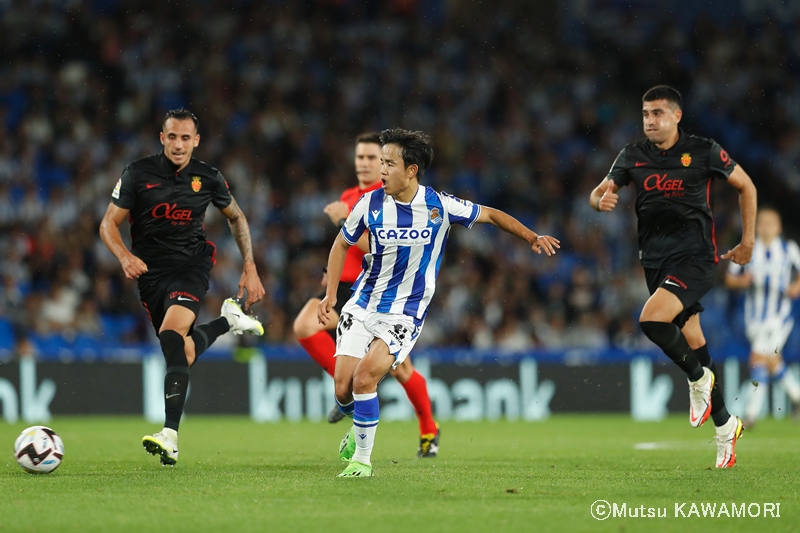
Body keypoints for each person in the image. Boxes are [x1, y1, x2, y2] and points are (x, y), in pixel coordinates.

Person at [318, 128, 559, 477]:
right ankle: (357, 428)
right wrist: (329, 295)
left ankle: (362, 461)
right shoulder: (369, 204)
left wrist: (532, 237)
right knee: (343, 389)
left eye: (389, 163)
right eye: (380, 162)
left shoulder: (439, 206)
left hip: (404, 313)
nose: (381, 171)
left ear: (411, 169)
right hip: (363, 303)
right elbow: (341, 243)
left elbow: (490, 214)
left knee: (365, 378)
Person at [589, 85, 757, 468]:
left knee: (651, 319)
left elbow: (746, 186)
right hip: (656, 262)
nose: (650, 121)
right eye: (646, 114)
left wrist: (747, 241)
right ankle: (726, 427)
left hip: (696, 258)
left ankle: (698, 381)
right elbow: (597, 194)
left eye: (658, 114)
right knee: (694, 339)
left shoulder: (703, 150)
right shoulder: (632, 155)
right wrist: (602, 201)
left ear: (677, 116)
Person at [99, 108, 266, 466]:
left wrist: (250, 267)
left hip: (191, 266)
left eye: (185, 138)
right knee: (183, 353)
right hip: (149, 275)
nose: (178, 145)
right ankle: (228, 322)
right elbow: (107, 226)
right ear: (162, 138)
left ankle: (170, 434)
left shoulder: (207, 178)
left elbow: (236, 217)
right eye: (172, 137)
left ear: (196, 141)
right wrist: (125, 257)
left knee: (173, 337)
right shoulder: (137, 174)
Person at [293, 133, 442, 457]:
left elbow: (376, 245)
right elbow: (343, 246)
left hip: (381, 293)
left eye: (373, 159)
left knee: (402, 370)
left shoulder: (392, 197)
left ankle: (429, 429)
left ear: (391, 164)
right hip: (348, 290)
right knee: (305, 325)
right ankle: (345, 394)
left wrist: (341, 219)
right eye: (359, 157)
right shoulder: (351, 194)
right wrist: (329, 274)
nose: (364, 164)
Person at [725, 207, 800, 428]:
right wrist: (742, 281)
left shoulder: (789, 249)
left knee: (757, 358)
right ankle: (797, 397)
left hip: (779, 317)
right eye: (762, 223)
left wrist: (796, 286)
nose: (766, 227)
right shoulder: (748, 249)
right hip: (754, 319)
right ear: (756, 226)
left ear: (779, 227)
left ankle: (751, 414)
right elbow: (730, 279)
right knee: (771, 361)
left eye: (771, 223)